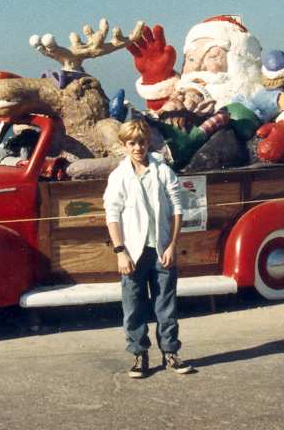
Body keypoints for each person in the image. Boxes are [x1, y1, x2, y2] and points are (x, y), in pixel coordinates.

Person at [104, 118, 193, 378]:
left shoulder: (163, 170)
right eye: (131, 143)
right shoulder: (119, 176)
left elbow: (178, 208)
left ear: (148, 142)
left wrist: (172, 245)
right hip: (132, 251)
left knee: (166, 304)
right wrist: (120, 251)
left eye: (141, 142)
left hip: (161, 248)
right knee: (133, 305)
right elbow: (112, 215)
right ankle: (139, 355)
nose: (137, 148)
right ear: (124, 145)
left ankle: (170, 352)